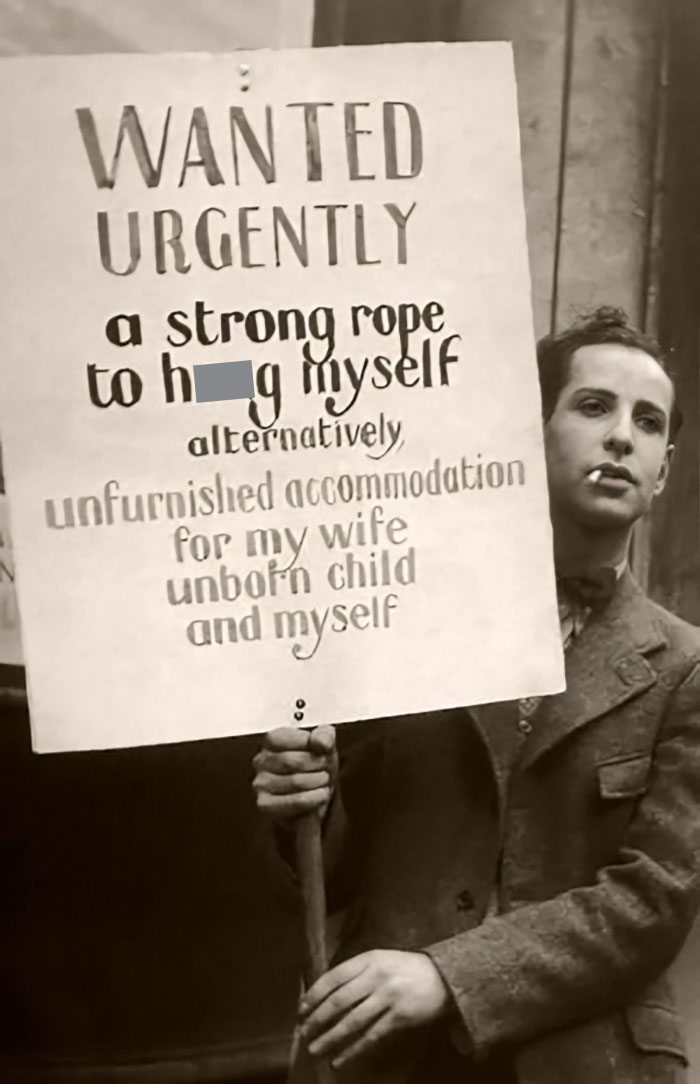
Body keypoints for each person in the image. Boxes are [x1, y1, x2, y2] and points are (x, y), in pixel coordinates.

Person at [253, 307, 700, 1084]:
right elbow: (336, 868)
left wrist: (449, 977)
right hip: (388, 1061)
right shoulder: (402, 616)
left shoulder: (685, 668)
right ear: (530, 435)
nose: (622, 435)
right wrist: (305, 799)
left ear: (662, 471)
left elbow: (652, 901)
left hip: (585, 1062)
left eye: (648, 421)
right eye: (593, 406)